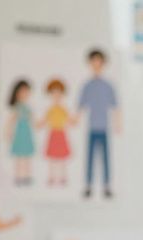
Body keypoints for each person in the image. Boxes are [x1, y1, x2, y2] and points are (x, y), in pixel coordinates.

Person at [74, 48, 119, 199]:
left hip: (104, 127)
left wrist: (117, 124)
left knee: (105, 158)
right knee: (90, 158)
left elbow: (115, 107)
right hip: (92, 127)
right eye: (94, 61)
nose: (96, 64)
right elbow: (81, 106)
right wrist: (75, 120)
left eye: (99, 61)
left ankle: (106, 186)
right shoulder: (88, 86)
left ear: (103, 63)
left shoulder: (108, 86)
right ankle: (88, 186)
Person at [38, 78, 73, 187]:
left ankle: (62, 177)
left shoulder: (63, 109)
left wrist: (74, 121)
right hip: (53, 134)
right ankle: (52, 177)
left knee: (62, 158)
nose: (56, 95)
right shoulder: (50, 109)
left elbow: (69, 119)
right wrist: (39, 124)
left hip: (61, 133)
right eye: (54, 93)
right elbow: (45, 120)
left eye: (58, 93)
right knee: (52, 158)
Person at [4, 79, 34, 185]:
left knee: (26, 157)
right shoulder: (17, 108)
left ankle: (26, 176)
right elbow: (10, 122)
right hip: (19, 134)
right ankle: (18, 176)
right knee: (19, 158)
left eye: (27, 91)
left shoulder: (27, 108)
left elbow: (32, 121)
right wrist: (8, 133)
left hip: (27, 134)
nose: (25, 94)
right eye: (22, 91)